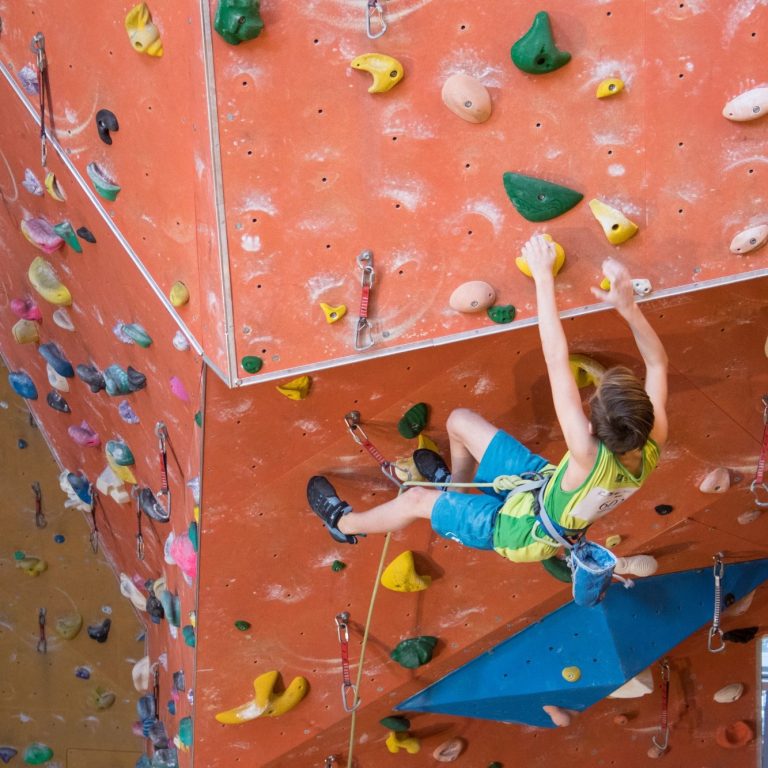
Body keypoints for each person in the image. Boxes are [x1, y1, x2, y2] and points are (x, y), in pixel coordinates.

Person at [307, 234, 668, 569]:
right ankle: (455, 488)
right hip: (542, 488)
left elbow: (556, 357)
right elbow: (657, 363)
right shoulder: (651, 439)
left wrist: (543, 277)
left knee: (415, 499)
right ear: (647, 415)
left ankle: (343, 523)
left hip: (520, 532)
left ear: (590, 427)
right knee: (459, 422)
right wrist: (628, 307)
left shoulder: (586, 452)